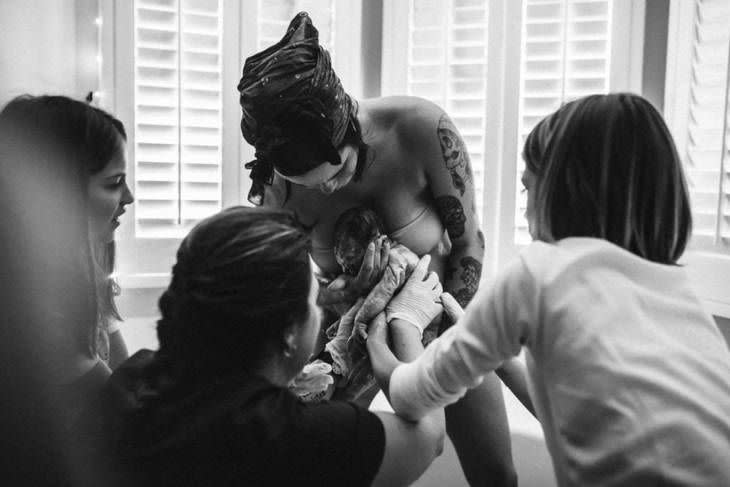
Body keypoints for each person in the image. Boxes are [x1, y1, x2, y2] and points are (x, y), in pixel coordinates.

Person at [370, 93, 730, 485]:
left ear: (562, 190)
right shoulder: (680, 296)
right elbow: (581, 417)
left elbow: (414, 396)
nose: (525, 210)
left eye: (527, 188)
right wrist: (498, 357)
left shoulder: (538, 274)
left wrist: (403, 322)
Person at [238, 12, 521, 484]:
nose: (327, 190)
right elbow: (283, 291)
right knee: (315, 473)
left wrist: (447, 330)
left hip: (444, 315)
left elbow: (469, 239)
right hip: (345, 336)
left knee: (496, 475)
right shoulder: (276, 190)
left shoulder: (420, 129)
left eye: (337, 172)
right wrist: (330, 296)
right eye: (310, 184)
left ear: (349, 123)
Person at [101, 206, 445, 487]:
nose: (324, 307)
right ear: (289, 334)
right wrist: (407, 323)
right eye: (316, 299)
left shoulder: (132, 380)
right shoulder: (295, 437)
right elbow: (429, 438)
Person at [0, 95, 134, 484]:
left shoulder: (82, 270)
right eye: (114, 183)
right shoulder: (27, 305)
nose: (128, 198)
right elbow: (118, 401)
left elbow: (121, 375)